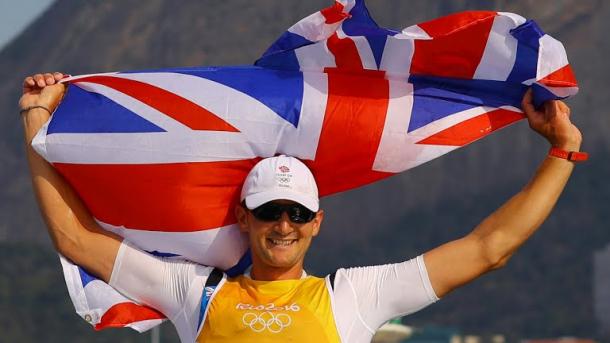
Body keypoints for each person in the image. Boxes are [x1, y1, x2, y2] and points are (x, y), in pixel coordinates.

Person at [19, 72, 585, 342]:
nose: (282, 225)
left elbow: (490, 248)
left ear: (317, 222)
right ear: (244, 217)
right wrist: (37, 125)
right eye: (269, 211)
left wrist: (563, 151)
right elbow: (76, 240)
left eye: (295, 212)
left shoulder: (355, 298)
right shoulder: (196, 292)